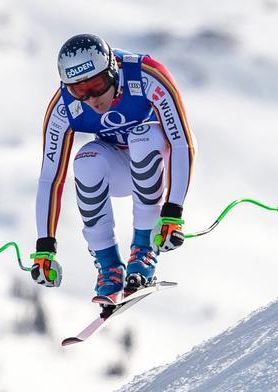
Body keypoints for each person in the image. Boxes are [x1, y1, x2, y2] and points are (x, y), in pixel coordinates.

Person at [29, 33, 196, 310]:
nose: (92, 99)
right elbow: (50, 177)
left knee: (142, 137)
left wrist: (173, 212)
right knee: (86, 159)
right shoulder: (63, 107)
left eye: (96, 85)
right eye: (79, 91)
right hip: (120, 167)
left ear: (113, 70)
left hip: (162, 157)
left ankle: (143, 249)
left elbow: (182, 143)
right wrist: (45, 247)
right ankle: (109, 267)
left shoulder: (146, 75)